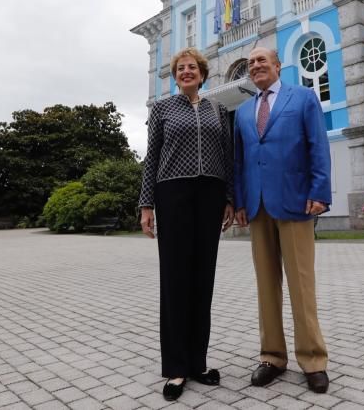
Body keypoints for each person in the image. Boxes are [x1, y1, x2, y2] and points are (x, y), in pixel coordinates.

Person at [139, 47, 235, 402]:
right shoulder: (163, 109)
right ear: (175, 75)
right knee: (176, 279)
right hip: (172, 194)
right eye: (180, 68)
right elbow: (151, 159)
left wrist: (229, 198)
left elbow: (228, 158)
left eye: (192, 67)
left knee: (202, 278)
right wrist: (145, 204)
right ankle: (177, 368)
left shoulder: (218, 110)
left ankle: (198, 362)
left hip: (210, 195)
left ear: (202, 72)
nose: (186, 72)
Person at [234, 47, 331, 394]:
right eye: (251, 63)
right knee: (266, 286)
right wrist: (240, 201)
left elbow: (317, 145)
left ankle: (313, 359)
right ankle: (272, 357)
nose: (256, 66)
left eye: (262, 60)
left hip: (295, 202)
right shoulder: (244, 112)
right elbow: (240, 161)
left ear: (277, 65)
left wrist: (320, 191)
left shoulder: (303, 98)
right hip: (257, 207)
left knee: (301, 284)